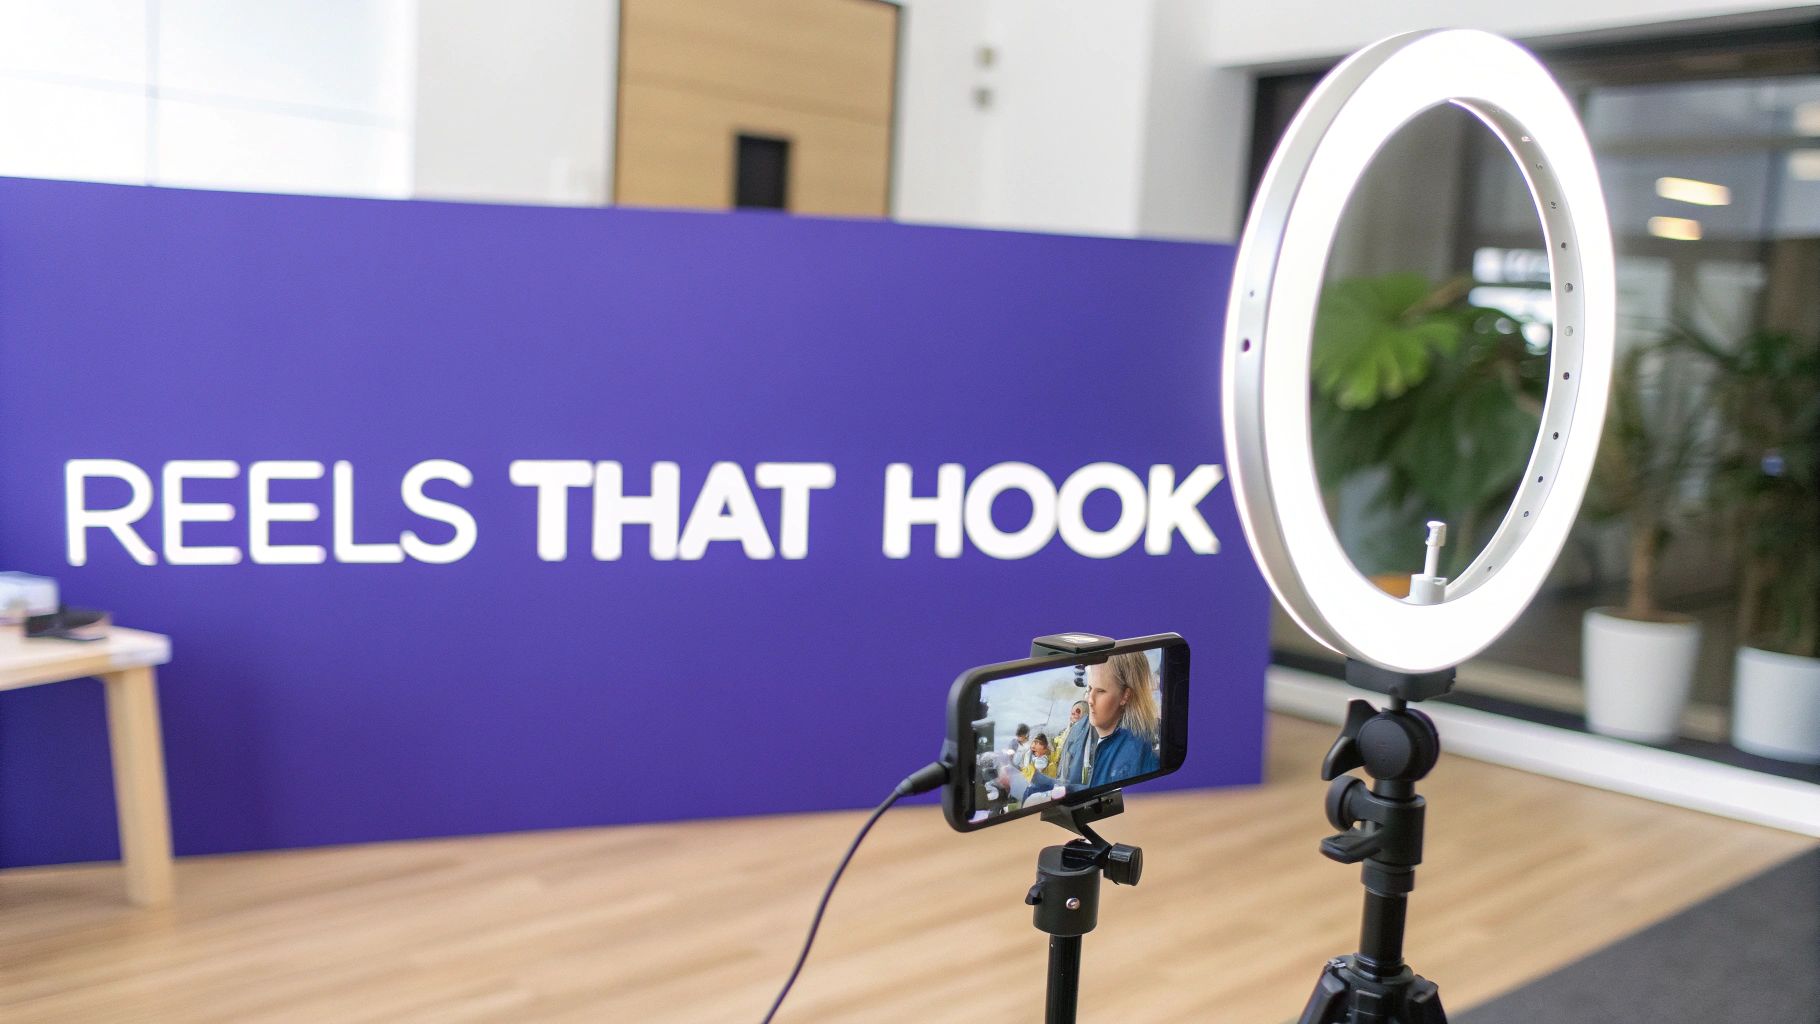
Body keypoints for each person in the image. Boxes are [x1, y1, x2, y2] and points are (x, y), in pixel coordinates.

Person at [1024, 654, 1160, 797]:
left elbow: (1101, 793)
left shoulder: (1138, 747)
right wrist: (1038, 785)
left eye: (1100, 691)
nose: (1090, 699)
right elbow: (1069, 781)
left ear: (1125, 696)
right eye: (1089, 689)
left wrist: (1044, 784)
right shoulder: (1079, 730)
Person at [1050, 701, 1089, 780]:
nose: (1075, 714)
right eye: (1072, 713)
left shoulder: (1082, 732)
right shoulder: (1069, 730)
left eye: (1078, 711)